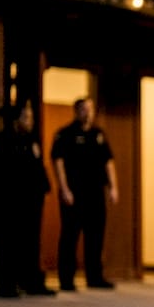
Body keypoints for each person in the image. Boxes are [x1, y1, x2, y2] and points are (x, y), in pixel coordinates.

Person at [0, 101, 54, 298]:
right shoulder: (0, 143)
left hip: (30, 205)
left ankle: (32, 283)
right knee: (7, 245)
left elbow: (38, 171)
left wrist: (44, 191)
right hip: (8, 205)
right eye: (26, 117)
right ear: (16, 120)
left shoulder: (31, 142)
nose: (30, 121)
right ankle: (7, 285)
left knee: (30, 245)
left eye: (31, 117)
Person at [51, 97, 118, 291]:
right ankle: (66, 279)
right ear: (76, 111)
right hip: (74, 194)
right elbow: (58, 162)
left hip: (95, 194)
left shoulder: (99, 135)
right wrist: (64, 189)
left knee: (95, 236)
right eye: (83, 109)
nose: (87, 113)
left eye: (90, 109)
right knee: (70, 236)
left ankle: (95, 277)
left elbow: (108, 162)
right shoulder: (65, 134)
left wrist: (113, 187)